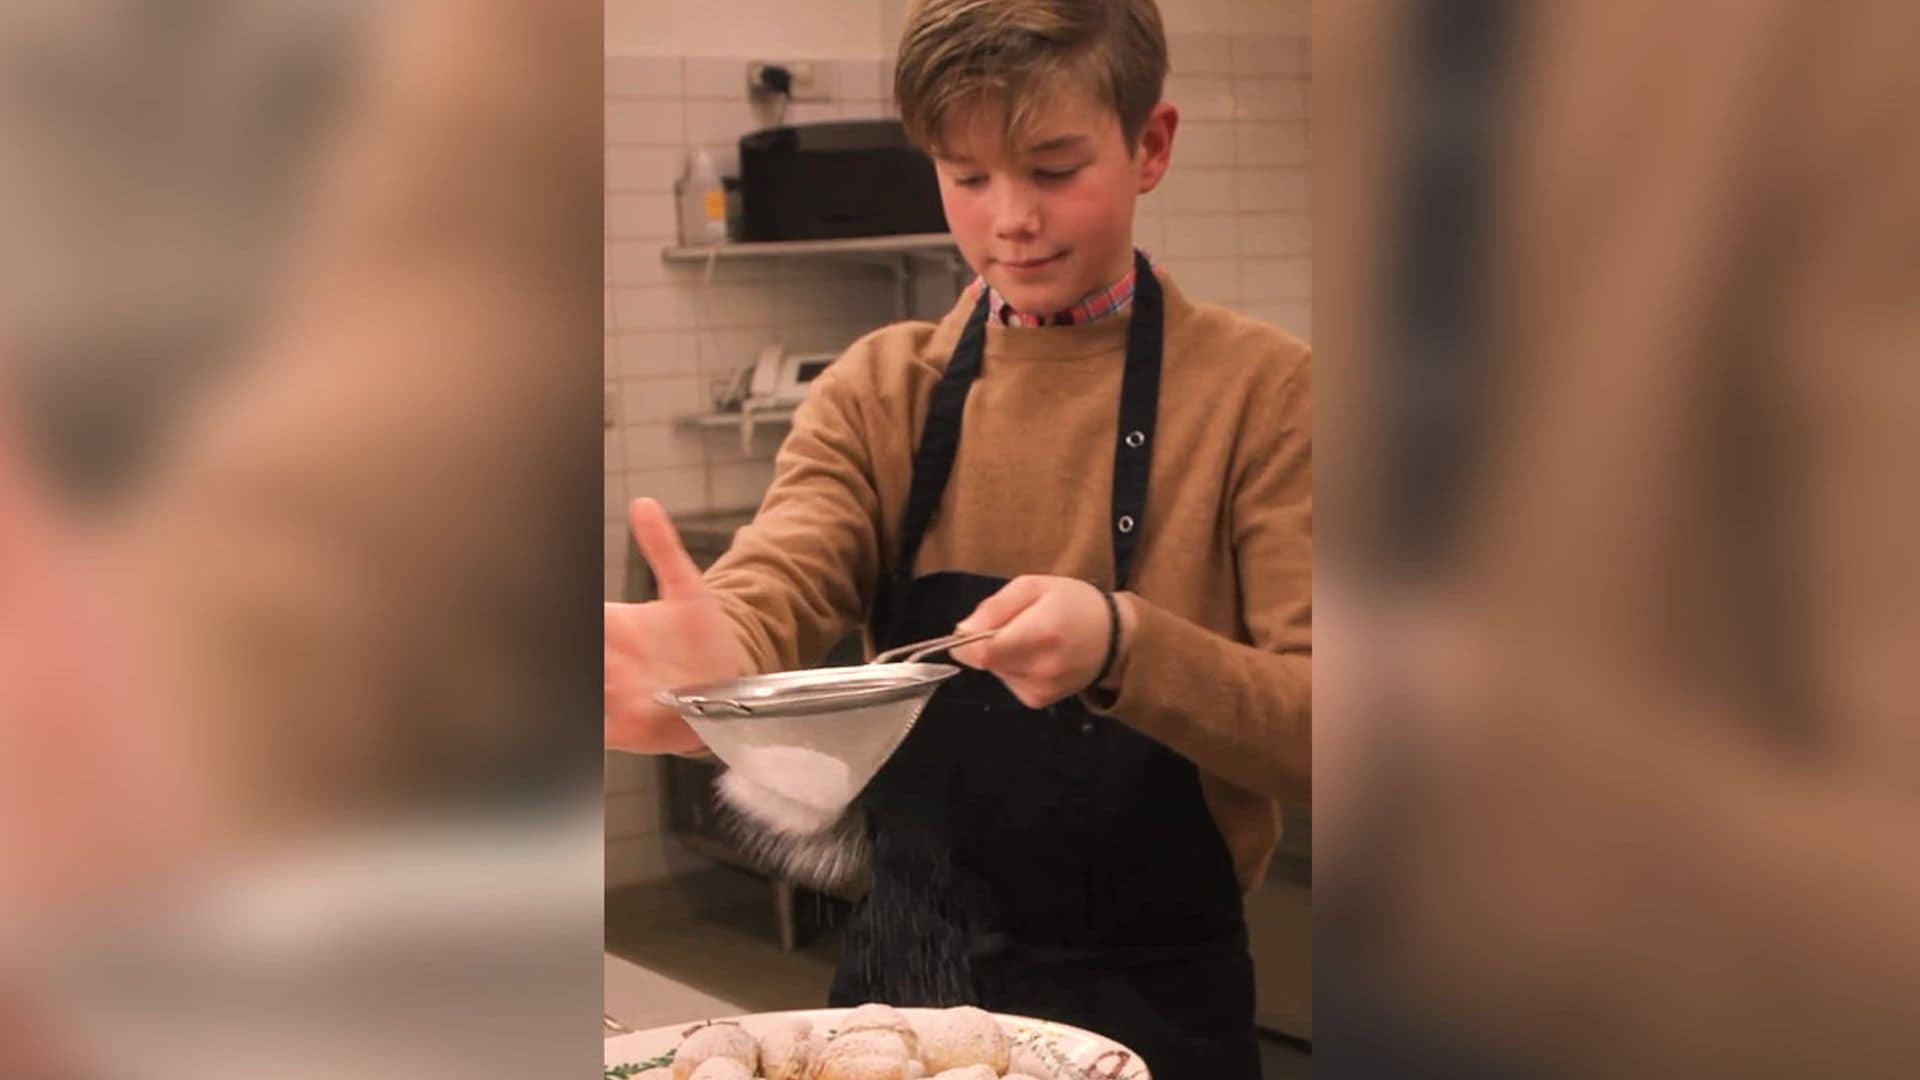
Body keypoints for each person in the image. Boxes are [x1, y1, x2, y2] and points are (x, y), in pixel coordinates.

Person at [603, 0, 1309, 1074]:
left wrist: (1125, 646)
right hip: (906, 993)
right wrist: (722, 672)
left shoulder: (1263, 394)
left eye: (1052, 167)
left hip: (1158, 991)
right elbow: (780, 573)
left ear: (1150, 144)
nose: (1008, 220)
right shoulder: (882, 389)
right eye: (967, 176)